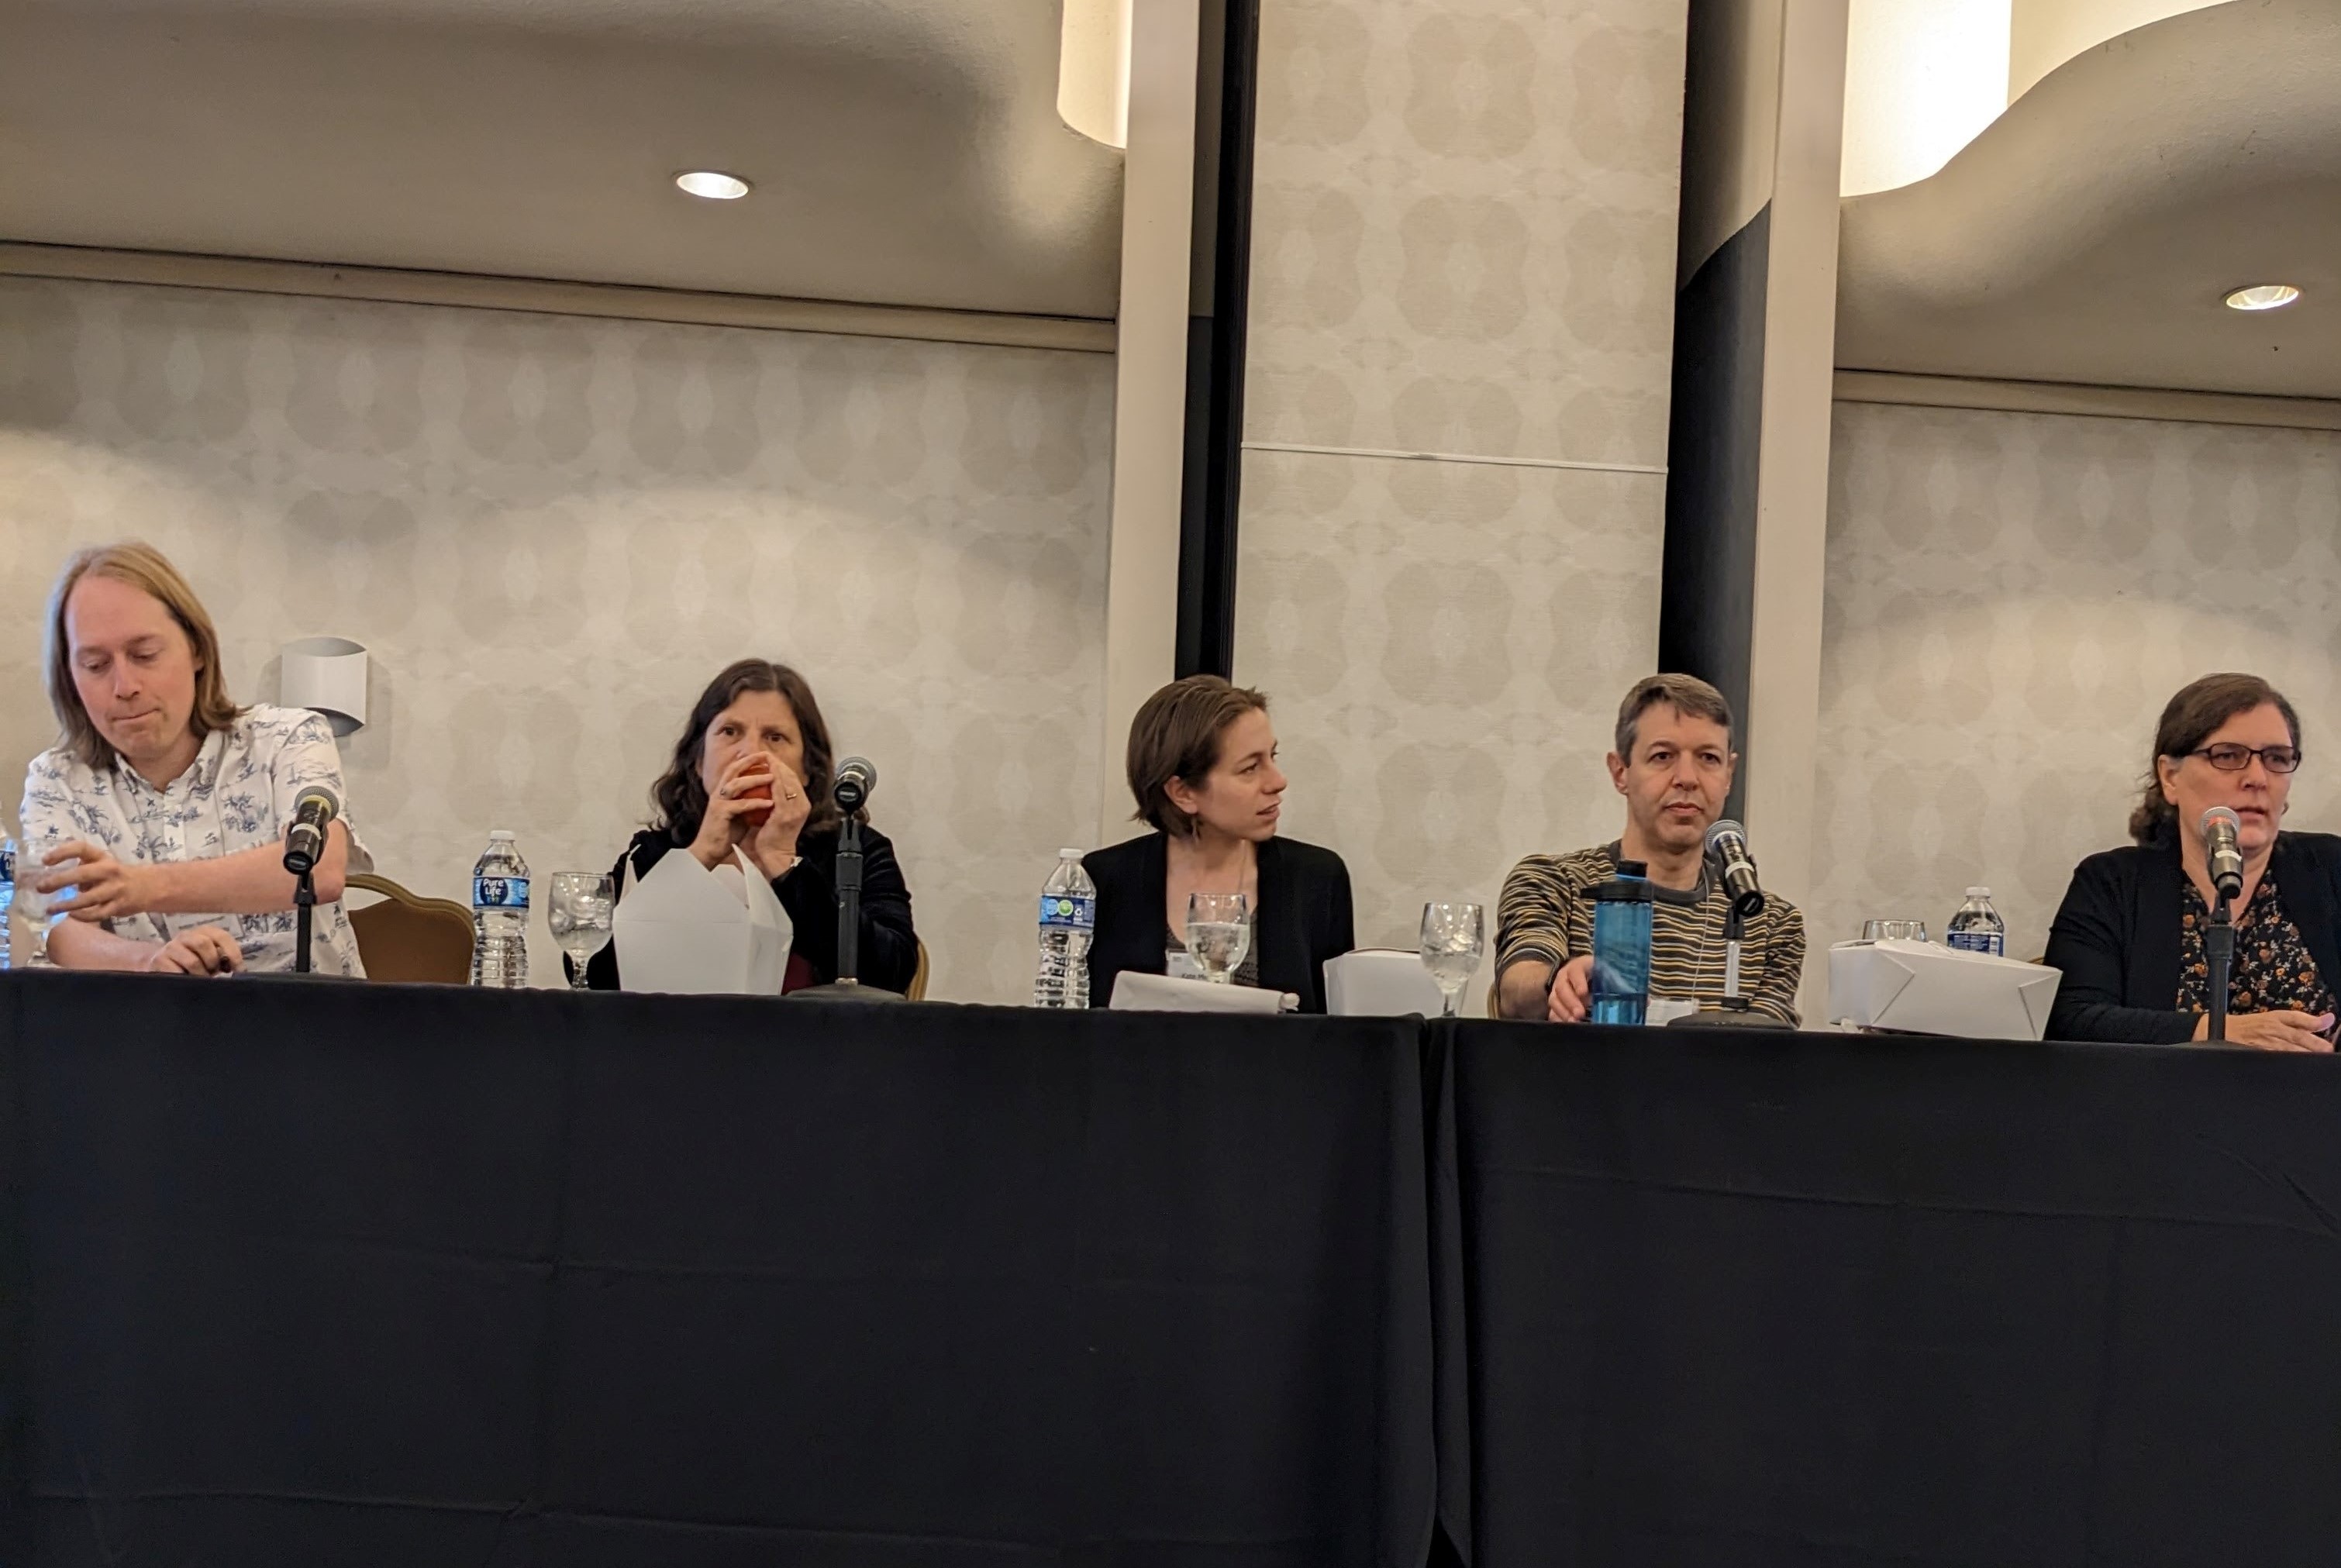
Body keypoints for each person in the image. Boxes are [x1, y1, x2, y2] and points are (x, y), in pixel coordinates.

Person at [21, 542, 367, 977]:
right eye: (95, 665)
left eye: (145, 655)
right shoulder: (56, 780)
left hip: (305, 1030)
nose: (124, 685)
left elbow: (322, 869)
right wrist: (150, 961)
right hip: (146, 1031)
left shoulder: (288, 737)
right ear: (70, 679)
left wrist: (142, 887)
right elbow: (58, 927)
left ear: (197, 650)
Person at [581, 659, 918, 994]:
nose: (752, 752)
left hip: (811, 1044)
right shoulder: (653, 854)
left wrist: (784, 863)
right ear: (699, 761)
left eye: (775, 737)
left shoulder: (854, 848)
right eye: (730, 732)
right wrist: (701, 855)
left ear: (806, 770)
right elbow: (592, 975)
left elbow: (893, 975)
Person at [2045, 673, 2340, 1050]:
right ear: (2170, 777)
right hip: (2159, 1104)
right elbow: (2071, 1019)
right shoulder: (2110, 882)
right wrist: (2218, 1032)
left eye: (2277, 758)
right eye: (2229, 756)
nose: (2257, 778)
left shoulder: (2331, 867)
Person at [1495, 674, 1805, 1025]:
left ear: (1729, 774)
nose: (1687, 778)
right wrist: (1559, 982)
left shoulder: (1775, 924)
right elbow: (1516, 991)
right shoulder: (1554, 881)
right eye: (1662, 756)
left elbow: (1766, 1060)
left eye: (1708, 758)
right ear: (1620, 772)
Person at [1084, 675, 1353, 1011]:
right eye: (1250, 768)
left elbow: (1340, 1037)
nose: (1278, 781)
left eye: (1273, 756)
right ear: (1183, 793)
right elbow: (1081, 1032)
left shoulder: (1317, 878)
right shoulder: (1101, 881)